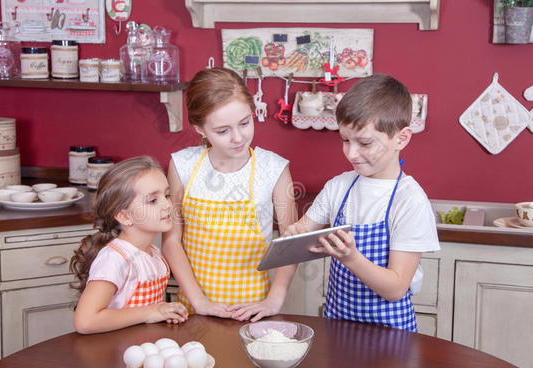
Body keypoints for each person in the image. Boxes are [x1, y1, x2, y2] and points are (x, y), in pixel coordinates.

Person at [285, 73, 440, 331]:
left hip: (391, 335)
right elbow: (303, 231)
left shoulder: (409, 200)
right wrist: (295, 236)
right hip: (338, 327)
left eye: (365, 142)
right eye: (345, 140)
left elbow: (396, 288)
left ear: (401, 138)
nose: (351, 153)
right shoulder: (338, 187)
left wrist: (351, 258)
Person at [162, 67, 298, 322]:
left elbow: (290, 243)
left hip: (252, 307)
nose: (238, 138)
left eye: (245, 123)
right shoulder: (182, 165)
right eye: (223, 131)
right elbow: (171, 241)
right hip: (193, 306)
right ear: (200, 129)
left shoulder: (274, 168)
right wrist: (200, 302)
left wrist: (273, 301)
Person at [71, 155, 188, 334]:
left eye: (167, 195)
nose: (167, 205)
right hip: (115, 355)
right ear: (124, 216)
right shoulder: (115, 259)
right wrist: (150, 312)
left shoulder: (153, 253)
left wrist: (163, 311)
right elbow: (85, 321)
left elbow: (150, 313)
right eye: (153, 200)